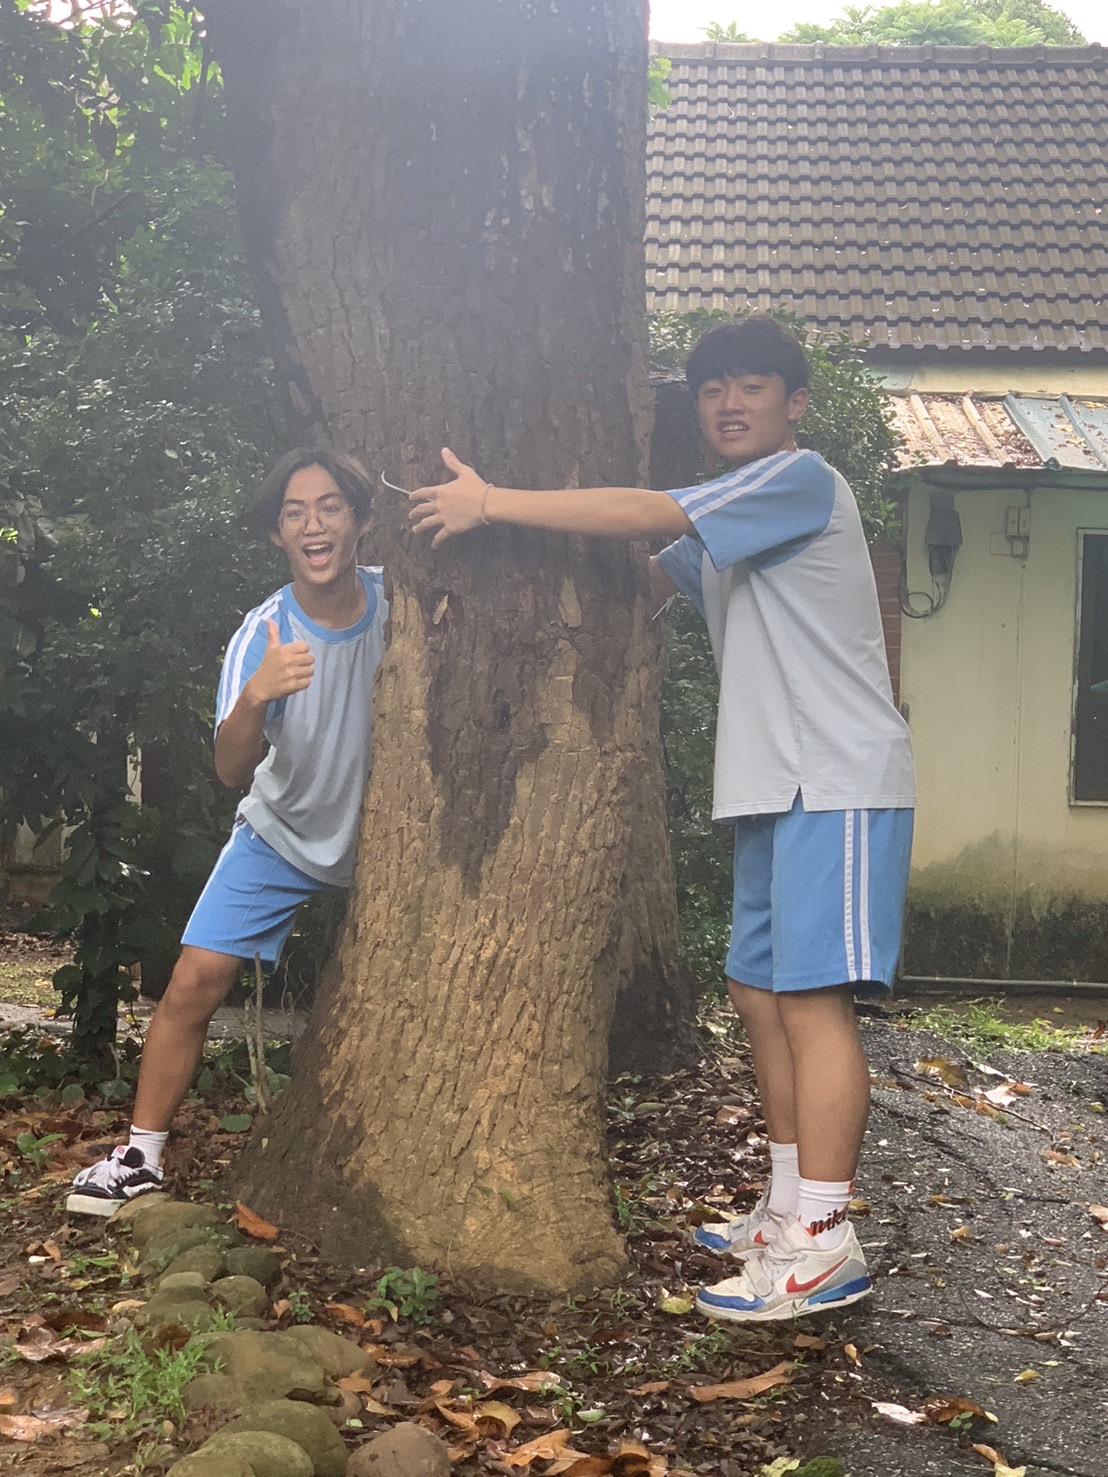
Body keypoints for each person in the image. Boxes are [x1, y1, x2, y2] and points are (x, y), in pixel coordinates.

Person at [408, 317, 915, 1321]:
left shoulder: (797, 480)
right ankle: (785, 1206)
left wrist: (491, 502)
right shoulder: (731, 527)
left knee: (812, 1003)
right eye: (713, 389)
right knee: (757, 990)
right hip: (773, 784)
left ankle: (824, 1240)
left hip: (839, 777)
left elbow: (650, 512)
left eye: (751, 386)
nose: (729, 403)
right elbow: (640, 571)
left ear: (794, 404)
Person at [67, 448, 387, 1216]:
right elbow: (230, 768)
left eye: (330, 506)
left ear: (360, 520)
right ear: (278, 534)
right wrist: (256, 696)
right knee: (194, 979)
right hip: (280, 834)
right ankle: (140, 1156)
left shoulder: (400, 604)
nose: (313, 525)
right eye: (294, 513)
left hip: (390, 839)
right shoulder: (262, 632)